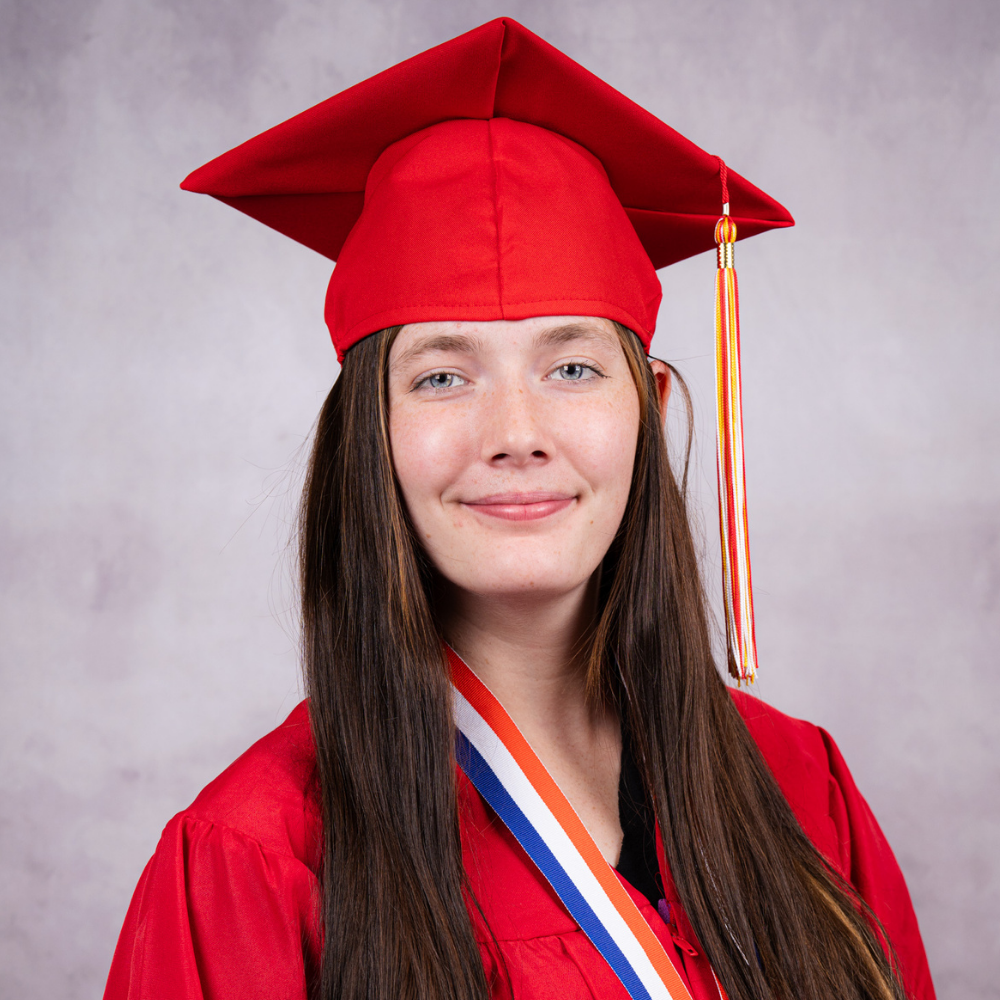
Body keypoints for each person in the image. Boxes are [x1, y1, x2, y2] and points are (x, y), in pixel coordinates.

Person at [103, 18, 935, 1000]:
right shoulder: (254, 860)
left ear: (651, 413)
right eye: (443, 376)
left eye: (573, 366)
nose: (515, 430)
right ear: (368, 435)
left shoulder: (800, 786)